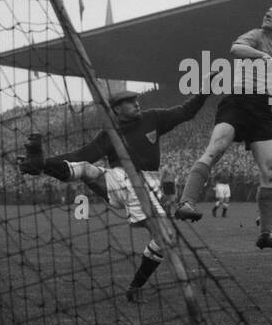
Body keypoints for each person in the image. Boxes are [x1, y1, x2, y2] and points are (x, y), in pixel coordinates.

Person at [19, 90, 207, 301]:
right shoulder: (110, 133)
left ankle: (135, 288)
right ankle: (39, 162)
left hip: (147, 184)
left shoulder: (153, 118)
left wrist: (206, 89)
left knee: (164, 238)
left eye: (136, 100)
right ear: (117, 109)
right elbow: (80, 155)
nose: (137, 104)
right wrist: (45, 163)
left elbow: (186, 112)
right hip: (120, 179)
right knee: (84, 168)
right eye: (130, 102)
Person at [173, 1, 272, 252]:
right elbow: (236, 48)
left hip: (262, 109)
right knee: (217, 147)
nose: (268, 13)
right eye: (268, 10)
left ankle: (266, 233)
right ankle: (186, 203)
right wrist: (261, 55)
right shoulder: (255, 36)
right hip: (237, 100)